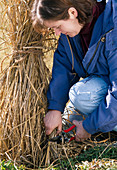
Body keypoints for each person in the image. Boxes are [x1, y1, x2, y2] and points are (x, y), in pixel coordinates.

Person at [31, 0, 117, 142]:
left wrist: (89, 127)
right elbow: (64, 67)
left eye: (58, 26)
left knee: (81, 96)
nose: (57, 33)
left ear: (72, 12)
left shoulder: (113, 24)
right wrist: (55, 108)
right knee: (73, 112)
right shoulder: (72, 32)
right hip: (108, 84)